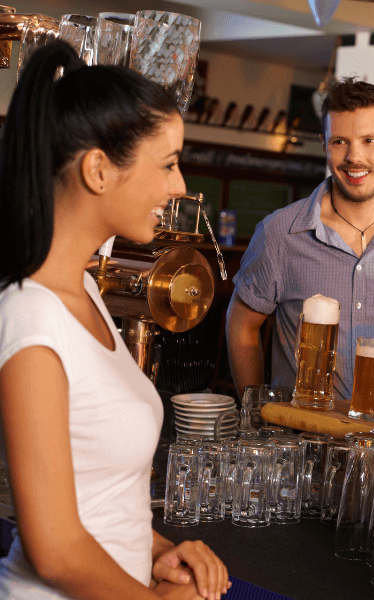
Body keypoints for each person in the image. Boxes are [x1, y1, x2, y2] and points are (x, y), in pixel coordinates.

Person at [0, 43, 229, 600]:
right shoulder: (30, 318)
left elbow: (98, 503)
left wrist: (157, 550)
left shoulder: (80, 287)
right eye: (169, 163)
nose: (179, 187)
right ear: (99, 170)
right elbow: (55, 551)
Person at [226, 78, 374, 407]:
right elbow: (242, 325)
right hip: (300, 441)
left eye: (369, 140)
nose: (355, 156)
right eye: (340, 141)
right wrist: (256, 413)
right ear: (324, 144)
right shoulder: (279, 233)